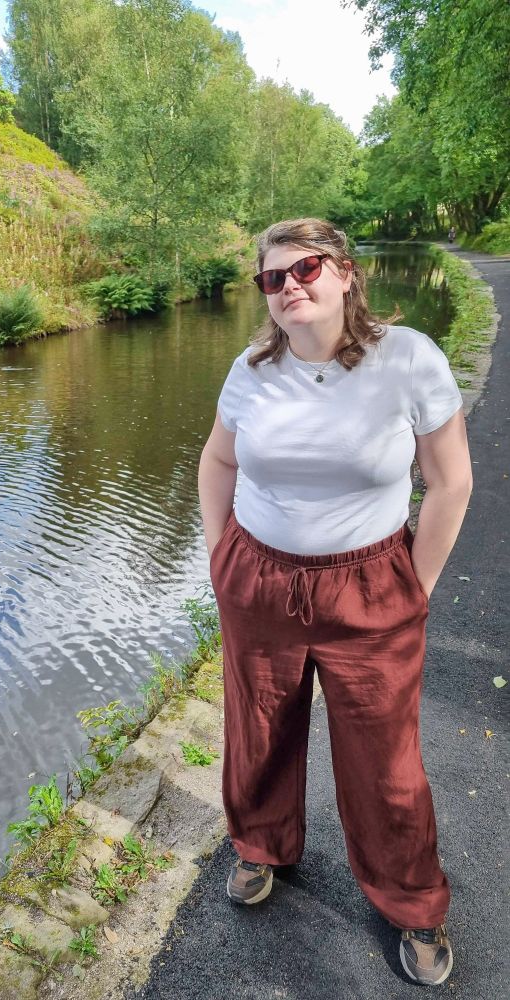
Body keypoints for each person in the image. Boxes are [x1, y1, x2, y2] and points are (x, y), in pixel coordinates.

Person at [198, 218, 472, 987]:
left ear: (346, 273)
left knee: (385, 762)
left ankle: (412, 903)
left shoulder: (407, 358)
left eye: (305, 268)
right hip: (260, 581)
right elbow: (217, 461)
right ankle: (260, 847)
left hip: (369, 586)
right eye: (271, 278)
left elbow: (451, 482)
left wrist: (415, 586)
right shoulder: (251, 368)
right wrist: (220, 555)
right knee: (257, 730)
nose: (288, 287)